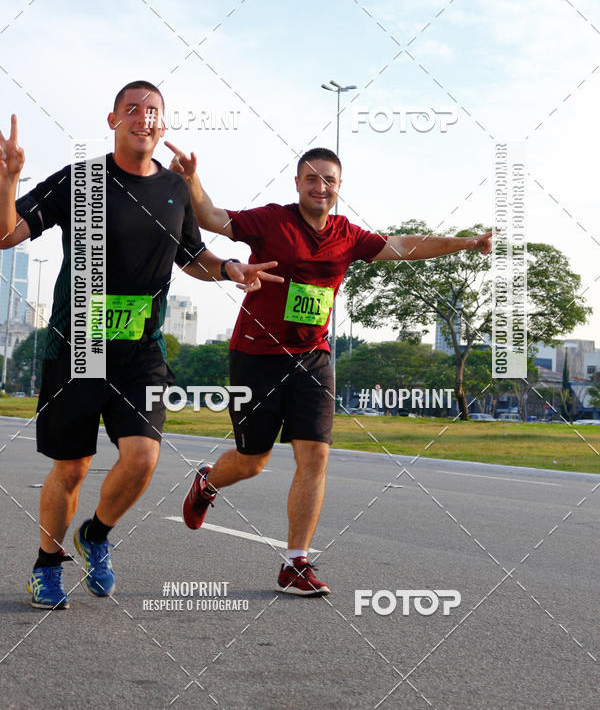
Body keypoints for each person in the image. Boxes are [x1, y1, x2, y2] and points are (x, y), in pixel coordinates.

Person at [0, 81, 282, 610]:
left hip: (141, 351)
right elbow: (7, 234)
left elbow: (193, 256)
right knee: (73, 467)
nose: (143, 118)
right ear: (113, 121)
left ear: (163, 124)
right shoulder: (81, 180)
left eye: (153, 111)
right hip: (81, 343)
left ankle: (97, 534)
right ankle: (46, 562)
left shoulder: (175, 190)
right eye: (132, 110)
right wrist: (9, 177)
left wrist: (229, 268)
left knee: (143, 458)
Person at [167, 142, 492, 596]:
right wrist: (190, 179)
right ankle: (207, 482)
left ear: (339, 188)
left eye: (330, 180)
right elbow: (211, 217)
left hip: (314, 358)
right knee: (252, 461)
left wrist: (465, 243)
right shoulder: (272, 220)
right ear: (298, 182)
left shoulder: (347, 234)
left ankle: (295, 563)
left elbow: (401, 245)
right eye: (312, 177)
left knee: (315, 456)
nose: (321, 186)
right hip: (257, 355)